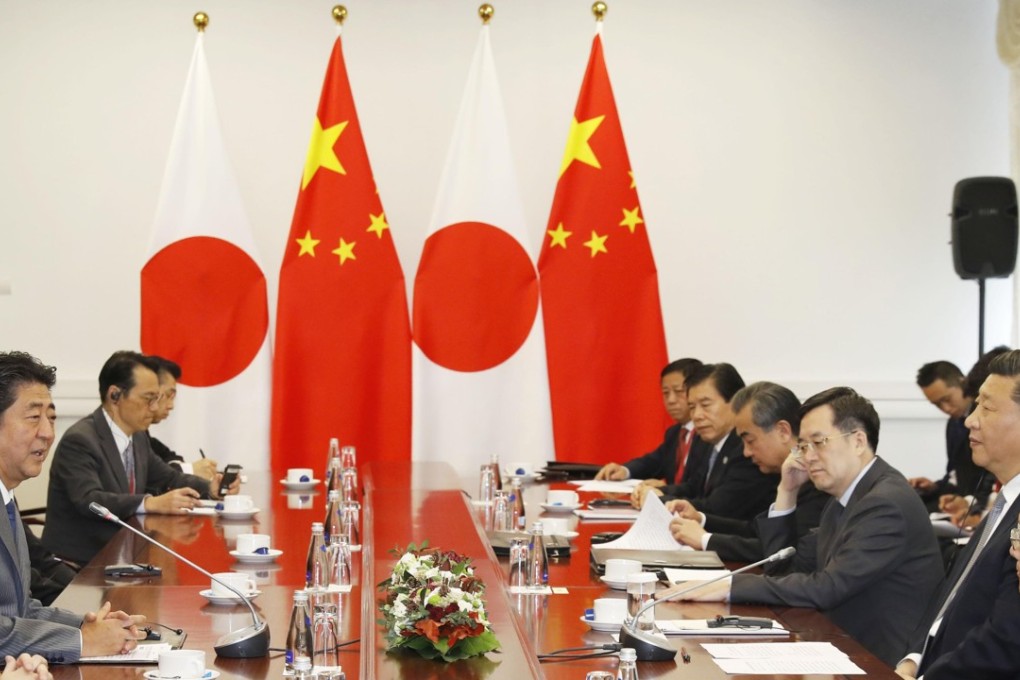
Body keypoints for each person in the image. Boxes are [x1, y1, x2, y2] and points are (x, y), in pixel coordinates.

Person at [671, 387, 943, 667]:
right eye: (803, 446)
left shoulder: (885, 503)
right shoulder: (845, 498)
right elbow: (784, 567)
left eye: (819, 442)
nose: (808, 456)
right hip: (840, 645)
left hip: (880, 661)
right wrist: (786, 491)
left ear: (858, 441)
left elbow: (827, 587)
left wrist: (728, 586)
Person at [0, 351, 145, 662]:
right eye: (33, 417)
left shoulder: (6, 497)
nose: (48, 433)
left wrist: (88, 625)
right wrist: (81, 641)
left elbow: (20, 609)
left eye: (51, 418)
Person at [42, 351, 239, 564]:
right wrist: (150, 503)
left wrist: (210, 488)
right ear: (115, 395)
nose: (154, 408)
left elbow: (169, 478)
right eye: (148, 399)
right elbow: (90, 501)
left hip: (124, 555)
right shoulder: (80, 440)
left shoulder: (137, 437)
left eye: (157, 399)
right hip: (80, 563)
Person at [896, 350, 1020, 679]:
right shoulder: (1006, 501)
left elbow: (1007, 640)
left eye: (987, 408)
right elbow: (948, 599)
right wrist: (913, 658)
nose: (969, 419)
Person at [668, 382, 829, 563]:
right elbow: (756, 530)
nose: (746, 452)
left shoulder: (819, 480)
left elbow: (780, 551)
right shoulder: (779, 472)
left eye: (750, 441)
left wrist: (705, 540)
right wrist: (701, 519)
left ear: (783, 431)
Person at [634, 364, 778, 522]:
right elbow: (694, 486)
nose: (696, 415)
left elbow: (718, 508)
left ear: (736, 402)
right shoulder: (708, 441)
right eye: (692, 407)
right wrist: (658, 491)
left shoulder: (746, 448)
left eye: (705, 405)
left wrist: (660, 500)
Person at [595, 358, 703, 483]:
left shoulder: (708, 434)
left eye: (679, 391)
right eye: (665, 393)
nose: (671, 400)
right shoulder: (674, 433)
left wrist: (666, 489)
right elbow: (653, 463)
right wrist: (624, 470)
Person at [911, 361, 989, 512]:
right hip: (959, 502)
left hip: (979, 505)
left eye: (946, 399)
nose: (945, 408)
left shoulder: (985, 419)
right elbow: (955, 474)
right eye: (937, 405)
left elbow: (989, 476)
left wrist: (969, 502)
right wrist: (934, 487)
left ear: (962, 382)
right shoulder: (953, 425)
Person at [147, 356, 216, 481]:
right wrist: (189, 469)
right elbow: (149, 477)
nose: (171, 406)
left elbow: (169, 457)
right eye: (168, 396)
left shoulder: (144, 437)